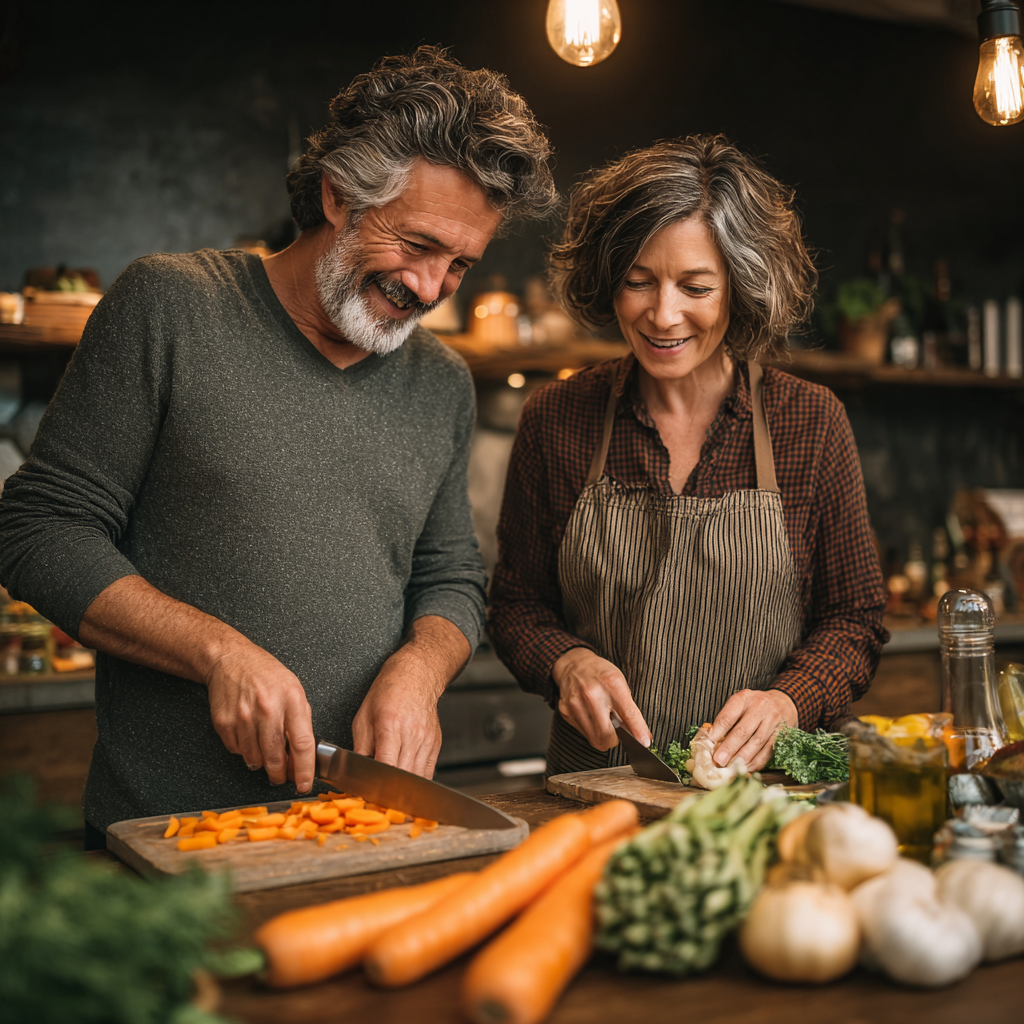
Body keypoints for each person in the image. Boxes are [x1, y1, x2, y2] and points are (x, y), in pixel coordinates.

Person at [0, 47, 557, 841]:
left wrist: (419, 670)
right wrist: (217, 652)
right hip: (169, 838)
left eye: (460, 265)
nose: (430, 289)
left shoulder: (440, 383)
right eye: (418, 245)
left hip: (356, 829)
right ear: (337, 195)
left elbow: (451, 576)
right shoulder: (171, 308)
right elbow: (39, 529)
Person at [488, 135, 888, 777]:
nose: (662, 315)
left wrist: (790, 701)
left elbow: (855, 618)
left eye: (696, 287)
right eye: (638, 282)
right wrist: (567, 661)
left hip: (765, 794)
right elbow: (515, 604)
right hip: (600, 789)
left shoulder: (809, 421)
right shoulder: (557, 418)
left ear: (741, 288)